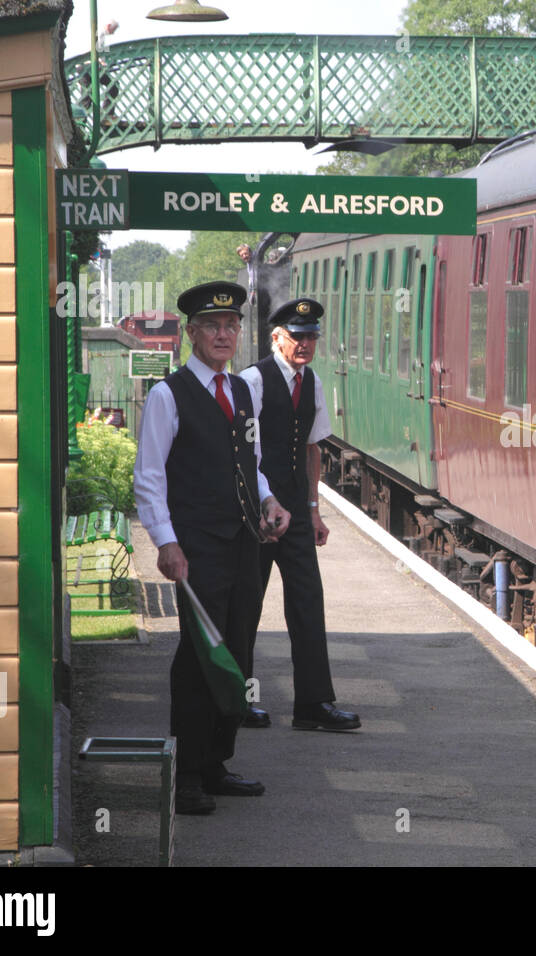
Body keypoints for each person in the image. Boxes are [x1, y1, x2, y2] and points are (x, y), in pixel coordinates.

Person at [133, 280, 291, 815]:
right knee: (201, 656)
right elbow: (149, 478)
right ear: (193, 334)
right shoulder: (167, 394)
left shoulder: (242, 390)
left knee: (239, 650)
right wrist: (166, 542)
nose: (224, 334)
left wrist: (270, 502)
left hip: (246, 540)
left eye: (231, 326)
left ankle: (218, 760)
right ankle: (187, 774)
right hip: (196, 547)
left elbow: (253, 462)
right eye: (212, 327)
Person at [239, 298, 361, 733]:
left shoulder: (312, 383)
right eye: (298, 336)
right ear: (277, 337)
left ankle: (313, 704)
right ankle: (238, 701)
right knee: (245, 606)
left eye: (311, 337)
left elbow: (312, 448)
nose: (306, 343)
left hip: (296, 512)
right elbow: (242, 450)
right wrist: (260, 504)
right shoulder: (252, 381)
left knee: (308, 603)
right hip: (255, 511)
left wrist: (314, 509)